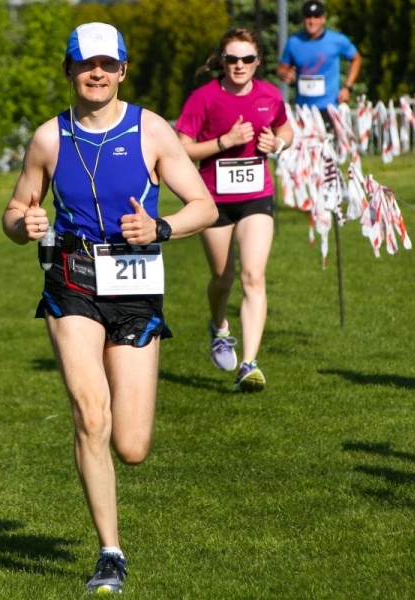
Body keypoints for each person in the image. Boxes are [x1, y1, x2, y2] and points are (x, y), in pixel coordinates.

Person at [1, 22, 216, 594]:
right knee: (91, 414)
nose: (95, 74)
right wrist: (24, 224)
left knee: (132, 445)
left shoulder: (152, 130)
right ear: (69, 70)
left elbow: (204, 206)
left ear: (122, 70)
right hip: (71, 279)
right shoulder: (49, 138)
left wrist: (160, 227)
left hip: (136, 283)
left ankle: (112, 511)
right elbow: (14, 211)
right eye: (84, 64)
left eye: (106, 64)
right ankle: (110, 552)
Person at [174, 27, 293, 393]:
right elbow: (181, 149)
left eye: (247, 58)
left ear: (258, 61)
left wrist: (278, 144)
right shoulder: (203, 98)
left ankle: (249, 364)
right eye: (232, 59)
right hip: (212, 201)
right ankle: (220, 327)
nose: (239, 65)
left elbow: (286, 130)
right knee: (222, 278)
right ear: (222, 61)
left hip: (257, 196)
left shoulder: (270, 95)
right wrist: (224, 142)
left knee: (253, 275)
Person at [277, 0, 361, 127]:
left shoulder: (337, 40)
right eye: (308, 17)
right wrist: (285, 74)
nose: (312, 21)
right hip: (303, 109)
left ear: (323, 19)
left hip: (329, 107)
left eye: (316, 17)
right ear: (303, 19)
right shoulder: (293, 42)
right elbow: (281, 69)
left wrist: (347, 87)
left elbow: (356, 58)